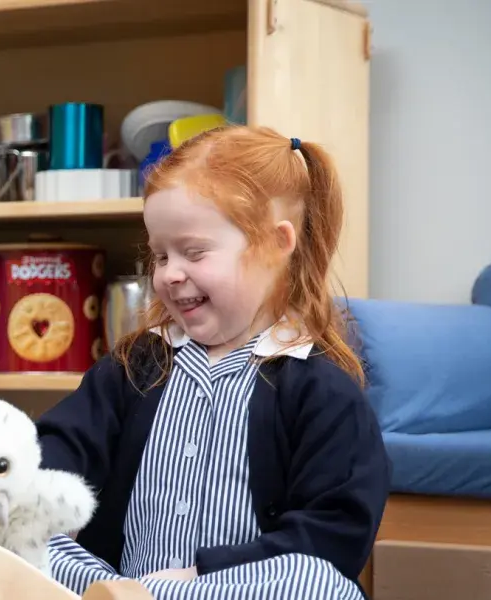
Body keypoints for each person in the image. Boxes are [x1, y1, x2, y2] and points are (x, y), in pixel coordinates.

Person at [38, 126, 391, 600]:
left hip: (229, 590)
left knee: (318, 582)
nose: (169, 273)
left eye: (194, 252)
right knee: (22, 540)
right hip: (122, 588)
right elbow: (62, 448)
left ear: (275, 244)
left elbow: (334, 534)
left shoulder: (320, 387)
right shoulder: (137, 364)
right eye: (160, 255)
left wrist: (200, 576)